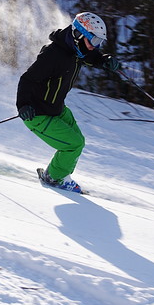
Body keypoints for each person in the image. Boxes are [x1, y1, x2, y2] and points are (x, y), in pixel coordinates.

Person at [16, 12, 120, 193]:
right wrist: (23, 105)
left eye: (98, 42)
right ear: (79, 34)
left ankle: (58, 174)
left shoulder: (76, 49)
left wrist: (103, 60)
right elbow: (28, 79)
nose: (94, 46)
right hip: (37, 113)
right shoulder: (53, 54)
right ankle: (55, 178)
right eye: (93, 40)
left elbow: (89, 56)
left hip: (56, 109)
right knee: (73, 144)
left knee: (78, 141)